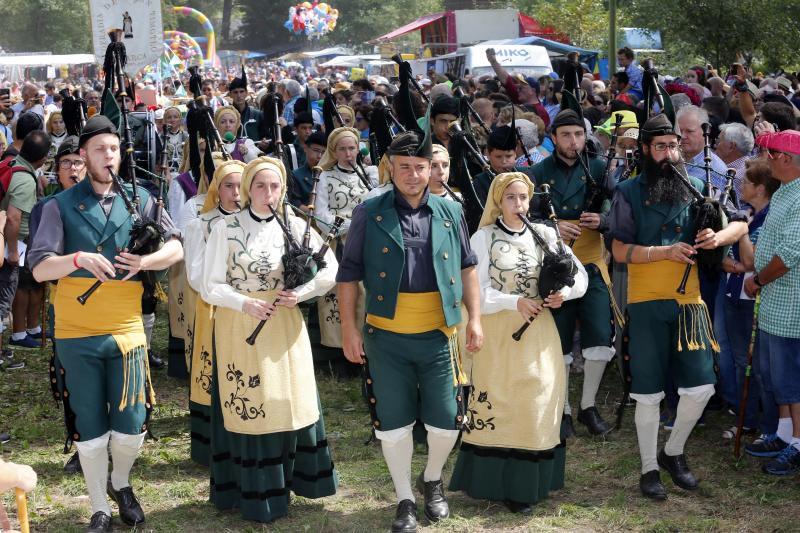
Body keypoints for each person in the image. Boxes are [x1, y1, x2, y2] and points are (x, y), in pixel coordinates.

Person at [27, 115, 183, 532]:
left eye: (113, 148)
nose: (108, 156)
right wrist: (77, 260)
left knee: (131, 428)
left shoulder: (141, 199)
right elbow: (40, 268)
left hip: (128, 327)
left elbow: (176, 247)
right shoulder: (57, 206)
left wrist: (147, 261)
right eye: (99, 149)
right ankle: (99, 506)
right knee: (90, 427)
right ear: (83, 156)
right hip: (76, 331)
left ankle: (120, 482)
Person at [337, 129, 483, 533]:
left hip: (439, 332)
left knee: (447, 421)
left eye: (420, 167)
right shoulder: (370, 211)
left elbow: (468, 267)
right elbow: (347, 276)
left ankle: (432, 479)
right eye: (404, 168)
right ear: (390, 168)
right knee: (394, 423)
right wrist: (349, 329)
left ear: (430, 169)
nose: (414, 175)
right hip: (386, 335)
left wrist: (475, 318)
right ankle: (404, 498)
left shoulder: (451, 210)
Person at [201, 156, 338, 522]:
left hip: (284, 323)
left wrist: (302, 292)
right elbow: (208, 285)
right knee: (251, 402)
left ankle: (292, 482)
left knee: (286, 399)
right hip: (240, 326)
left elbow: (331, 270)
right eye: (260, 186)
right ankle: (253, 491)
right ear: (247, 189)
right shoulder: (226, 229)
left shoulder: (295, 225)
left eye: (275, 186)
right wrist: (244, 303)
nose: (268, 193)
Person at [449, 172, 587, 513]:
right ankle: (491, 482)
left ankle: (525, 487)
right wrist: (514, 302)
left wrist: (562, 294)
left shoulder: (545, 235)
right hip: (498, 333)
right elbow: (474, 290)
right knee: (501, 401)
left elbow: (579, 276)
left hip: (539, 333)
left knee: (535, 399)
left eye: (523, 197)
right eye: (511, 197)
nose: (518, 204)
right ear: (498, 201)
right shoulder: (483, 238)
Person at [609, 114, 724, 500]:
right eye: (660, 146)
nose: (669, 152)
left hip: (689, 306)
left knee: (702, 389)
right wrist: (664, 251)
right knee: (648, 394)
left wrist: (714, 235)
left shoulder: (695, 188)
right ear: (645, 150)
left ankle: (672, 452)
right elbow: (619, 250)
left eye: (673, 145)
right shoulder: (626, 191)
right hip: (644, 304)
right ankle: (648, 469)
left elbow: (740, 225)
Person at [529, 109, 618, 437]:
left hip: (593, 265)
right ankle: (562, 408)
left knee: (599, 338)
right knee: (559, 340)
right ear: (553, 138)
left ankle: (588, 406)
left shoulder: (599, 168)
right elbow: (526, 218)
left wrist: (603, 221)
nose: (573, 141)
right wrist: (553, 226)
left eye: (578, 135)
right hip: (555, 266)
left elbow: (616, 206)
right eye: (566, 135)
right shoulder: (538, 171)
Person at [27, 135, 87, 474]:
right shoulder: (46, 207)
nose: (73, 169)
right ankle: (80, 443)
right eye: (66, 164)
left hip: (106, 303)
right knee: (70, 378)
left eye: (78, 163)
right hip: (65, 299)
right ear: (57, 170)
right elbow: (41, 264)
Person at [743, 130, 800, 475]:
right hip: (775, 304)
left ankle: (798, 444)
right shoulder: (785, 192)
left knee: (792, 380)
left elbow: (792, 251)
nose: (766, 160)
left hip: (790, 305)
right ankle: (784, 434)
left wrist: (759, 279)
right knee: (780, 378)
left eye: (771, 154)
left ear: (788, 159)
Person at [183, 159, 244, 466]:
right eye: (228, 186)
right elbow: (196, 276)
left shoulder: (258, 223)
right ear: (216, 190)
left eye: (240, 185)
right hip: (215, 310)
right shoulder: (201, 224)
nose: (235, 193)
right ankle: (215, 446)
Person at [720, 159, 779, 441]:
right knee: (738, 358)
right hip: (735, 292)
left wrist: (742, 234)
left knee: (752, 363)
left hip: (752, 298)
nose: (741, 186)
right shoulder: (747, 212)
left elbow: (752, 261)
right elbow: (727, 261)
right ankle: (744, 416)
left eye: (746, 182)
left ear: (760, 188)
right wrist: (736, 263)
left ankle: (760, 422)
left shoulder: (768, 217)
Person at [314, 127, 377, 351]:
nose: (348, 154)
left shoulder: (371, 174)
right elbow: (321, 214)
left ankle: (368, 343)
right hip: (338, 241)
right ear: (334, 151)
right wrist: (350, 225)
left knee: (366, 289)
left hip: (369, 241)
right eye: (342, 149)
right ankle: (339, 345)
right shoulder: (325, 177)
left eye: (352, 148)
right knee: (340, 289)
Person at [2, 130, 51, 350]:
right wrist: (13, 251)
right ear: (43, 158)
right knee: (12, 291)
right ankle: (18, 334)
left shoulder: (13, 163)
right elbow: (13, 219)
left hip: (13, 239)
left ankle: (30, 329)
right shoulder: (24, 179)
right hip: (12, 243)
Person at [676, 106, 728, 190]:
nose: (682, 136)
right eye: (679, 130)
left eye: (689, 131)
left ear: (705, 131)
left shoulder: (715, 170)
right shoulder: (670, 158)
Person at [472, 125, 520, 206]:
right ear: (488, 154)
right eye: (498, 157)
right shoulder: (481, 182)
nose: (504, 161)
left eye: (508, 156)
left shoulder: (526, 175)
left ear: (515, 153)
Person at [715, 122, 755, 202]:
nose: (715, 145)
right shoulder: (748, 164)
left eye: (718, 141)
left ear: (731, 146)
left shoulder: (736, 178)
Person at [289, 130, 325, 209]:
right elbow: (294, 202)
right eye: (316, 150)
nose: (319, 156)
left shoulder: (331, 173)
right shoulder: (296, 175)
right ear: (305, 148)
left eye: (324, 152)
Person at [228, 66, 263, 142]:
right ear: (230, 94)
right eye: (235, 92)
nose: (239, 95)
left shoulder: (257, 114)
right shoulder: (226, 115)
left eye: (241, 91)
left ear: (246, 93)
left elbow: (265, 137)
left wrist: (265, 143)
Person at [162, 106, 188, 173]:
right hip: (166, 173)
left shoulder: (186, 136)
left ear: (180, 120)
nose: (172, 120)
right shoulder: (161, 137)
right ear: (165, 120)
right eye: (169, 117)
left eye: (175, 117)